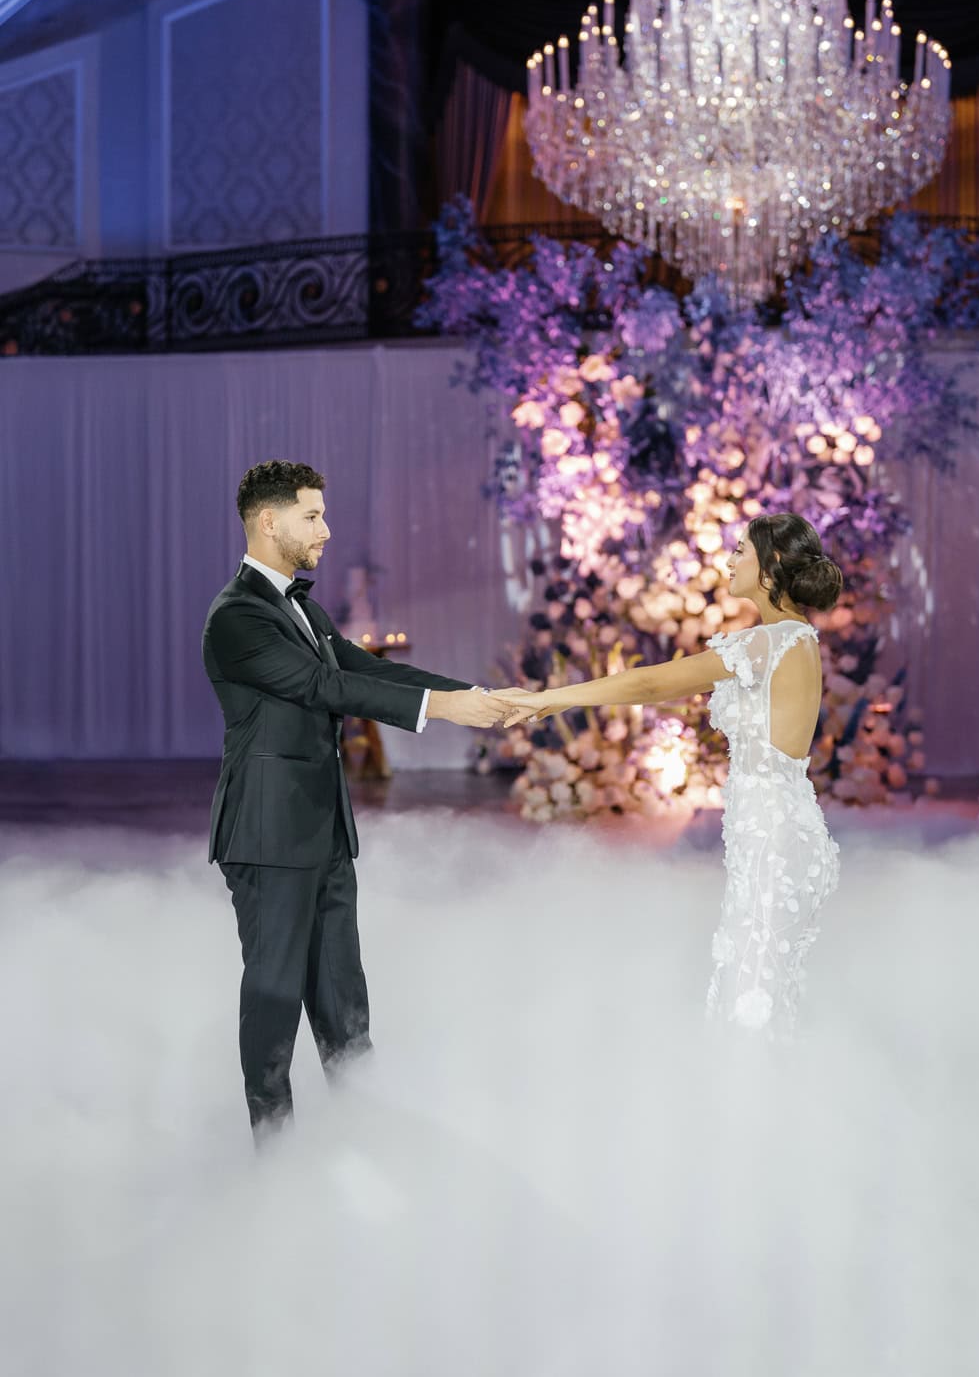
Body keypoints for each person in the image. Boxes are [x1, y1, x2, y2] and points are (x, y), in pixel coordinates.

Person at [202, 460, 505, 1141]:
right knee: (277, 995)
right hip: (267, 834)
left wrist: (473, 696)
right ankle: (274, 1154)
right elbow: (324, 688)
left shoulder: (303, 606)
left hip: (325, 829)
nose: (327, 530)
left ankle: (363, 1141)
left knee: (344, 996)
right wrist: (448, 708)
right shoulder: (236, 618)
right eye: (313, 515)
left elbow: (364, 670)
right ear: (268, 521)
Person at [497, 512, 843, 1039]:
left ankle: (759, 1105)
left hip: (774, 839)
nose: (729, 559)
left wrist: (551, 699)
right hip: (776, 830)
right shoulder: (791, 638)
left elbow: (650, 686)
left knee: (754, 997)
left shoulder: (768, 643)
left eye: (740, 550)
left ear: (770, 566)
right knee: (762, 989)